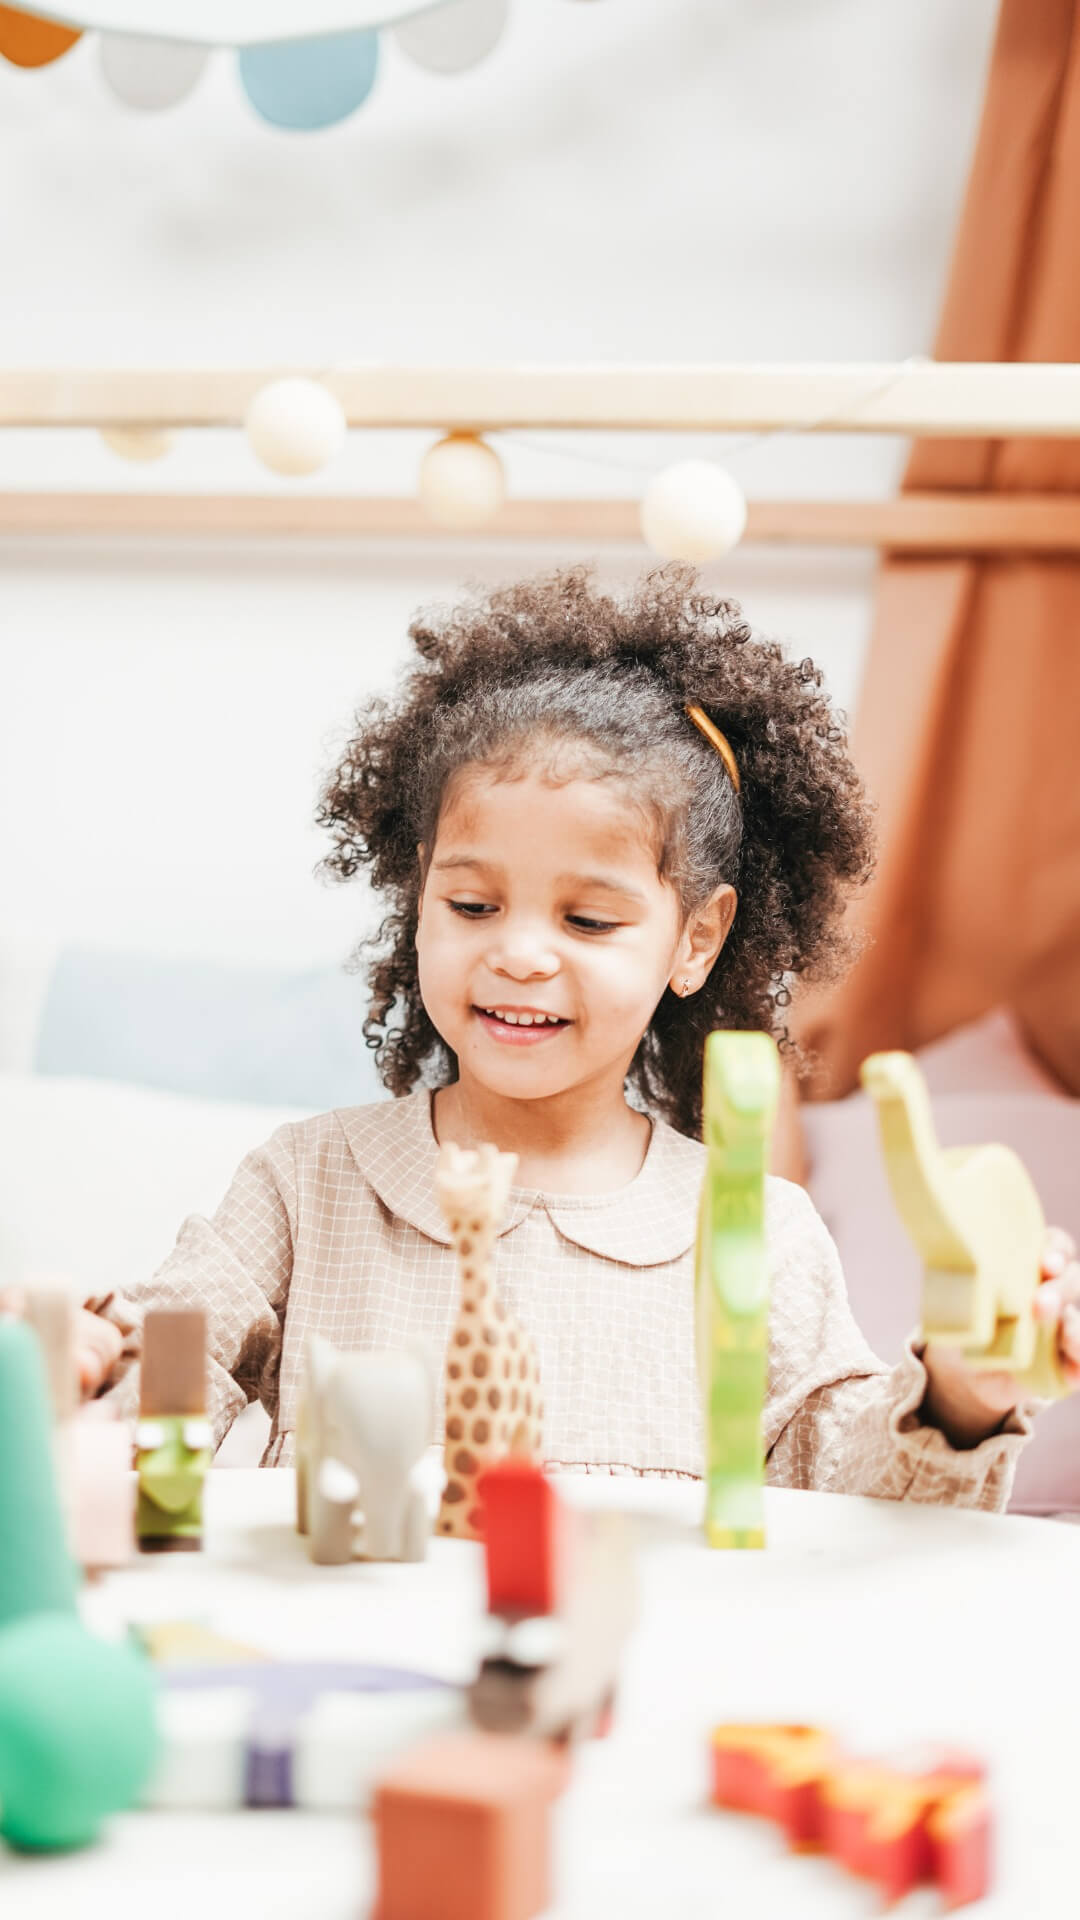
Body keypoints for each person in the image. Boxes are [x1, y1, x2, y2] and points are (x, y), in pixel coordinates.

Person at [72, 568, 1080, 1502]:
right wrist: (83, 1374)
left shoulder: (755, 1232)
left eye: (587, 921)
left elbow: (854, 1488)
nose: (518, 954)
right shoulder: (307, 1182)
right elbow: (165, 1402)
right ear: (419, 890)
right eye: (471, 904)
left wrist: (961, 1389)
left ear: (695, 939)